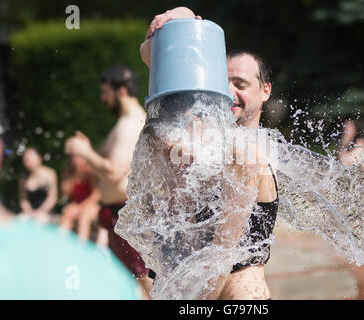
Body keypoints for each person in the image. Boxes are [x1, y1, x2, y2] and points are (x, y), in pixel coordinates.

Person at [140, 7, 277, 300]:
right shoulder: (204, 143)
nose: (229, 91)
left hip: (238, 291)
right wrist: (178, 15)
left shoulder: (250, 152)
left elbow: (221, 254)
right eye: (222, 81)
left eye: (240, 84)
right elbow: (159, 56)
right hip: (189, 286)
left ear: (265, 91)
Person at [64, 65, 153, 298]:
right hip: (117, 214)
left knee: (145, 280)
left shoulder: (130, 124)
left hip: (127, 214)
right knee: (133, 281)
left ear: (121, 91)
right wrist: (90, 153)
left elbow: (114, 172)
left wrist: (85, 153)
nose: (103, 99)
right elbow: (106, 163)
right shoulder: (121, 124)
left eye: (106, 92)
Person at [59, 155, 101, 241]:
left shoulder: (90, 171)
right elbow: (65, 193)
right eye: (74, 157)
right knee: (67, 214)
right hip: (76, 204)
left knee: (84, 217)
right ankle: (60, 244)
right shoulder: (68, 172)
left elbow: (96, 194)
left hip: (91, 204)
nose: (75, 159)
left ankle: (81, 247)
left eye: (78, 156)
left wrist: (82, 206)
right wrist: (75, 175)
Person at [18, 147, 58, 223]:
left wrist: (40, 212)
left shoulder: (49, 174)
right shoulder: (23, 177)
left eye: (30, 155)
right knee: (20, 220)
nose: (27, 158)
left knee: (40, 221)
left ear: (39, 158)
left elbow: (52, 198)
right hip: (29, 211)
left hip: (46, 211)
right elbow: (23, 199)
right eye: (25, 156)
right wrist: (29, 212)